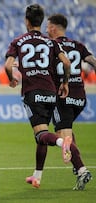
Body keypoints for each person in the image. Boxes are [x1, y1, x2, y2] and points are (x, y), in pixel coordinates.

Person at [4, 4, 72, 188]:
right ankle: (37, 176)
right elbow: (66, 62)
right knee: (41, 135)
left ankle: (61, 142)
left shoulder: (18, 41)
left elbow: (8, 66)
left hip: (32, 92)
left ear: (26, 21)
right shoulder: (51, 42)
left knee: (42, 134)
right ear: (41, 22)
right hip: (50, 92)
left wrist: (11, 80)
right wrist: (65, 83)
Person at [46, 13, 95, 190]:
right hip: (80, 97)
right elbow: (93, 62)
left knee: (62, 137)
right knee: (66, 132)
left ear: (53, 27)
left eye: (47, 26)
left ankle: (81, 170)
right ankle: (78, 166)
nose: (46, 30)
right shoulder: (77, 45)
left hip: (62, 95)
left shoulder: (51, 45)